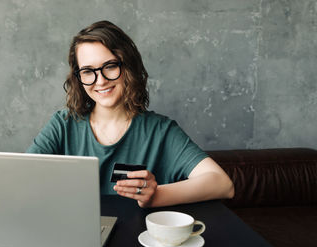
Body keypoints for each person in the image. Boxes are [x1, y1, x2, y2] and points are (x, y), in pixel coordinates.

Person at [26, 20, 234, 208]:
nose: (100, 81)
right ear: (78, 77)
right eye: (88, 71)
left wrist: (156, 195)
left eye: (110, 66)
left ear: (128, 66)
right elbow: (22, 177)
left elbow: (222, 184)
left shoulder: (160, 131)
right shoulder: (63, 124)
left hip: (137, 240)